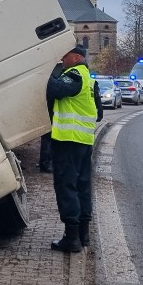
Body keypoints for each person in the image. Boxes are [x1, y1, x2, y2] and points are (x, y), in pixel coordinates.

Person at [46, 45, 101, 252]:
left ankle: (71, 239)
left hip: (68, 140)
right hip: (84, 140)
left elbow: (55, 89)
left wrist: (44, 73)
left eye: (65, 55)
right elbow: (99, 112)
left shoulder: (75, 74)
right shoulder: (90, 79)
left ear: (76, 57)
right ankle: (83, 235)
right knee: (82, 186)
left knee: (66, 186)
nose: (62, 58)